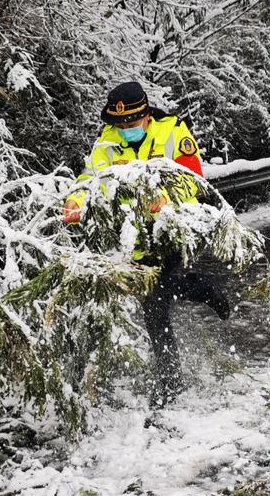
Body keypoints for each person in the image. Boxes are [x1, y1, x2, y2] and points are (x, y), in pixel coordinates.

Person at [63, 81, 230, 406]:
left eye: (131, 123)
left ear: (146, 116)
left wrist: (167, 197)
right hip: (137, 236)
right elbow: (89, 178)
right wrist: (75, 200)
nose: (125, 129)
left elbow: (194, 179)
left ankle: (171, 378)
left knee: (157, 299)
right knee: (155, 308)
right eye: (119, 124)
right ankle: (172, 376)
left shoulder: (172, 133)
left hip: (175, 228)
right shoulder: (108, 142)